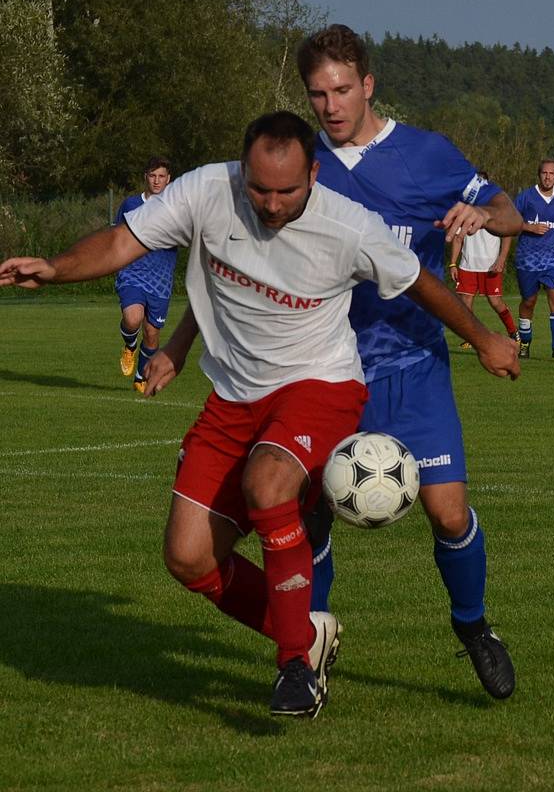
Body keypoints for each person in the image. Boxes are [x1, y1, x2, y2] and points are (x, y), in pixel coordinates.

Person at [0, 111, 519, 718]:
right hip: (234, 398)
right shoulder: (205, 191)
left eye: (287, 191)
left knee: (269, 483)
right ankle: (305, 631)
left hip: (320, 385)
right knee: (188, 557)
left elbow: (418, 283)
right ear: (242, 170)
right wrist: (57, 268)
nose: (271, 204)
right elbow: (122, 241)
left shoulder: (347, 225)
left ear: (313, 174)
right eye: (260, 188)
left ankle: (296, 664)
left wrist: (483, 338)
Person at [296, 25, 523, 700]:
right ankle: (309, 643)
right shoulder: (300, 161)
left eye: (342, 89)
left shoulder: (425, 154)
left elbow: (508, 208)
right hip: (326, 365)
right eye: (317, 93)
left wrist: (485, 218)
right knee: (308, 511)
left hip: (413, 363)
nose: (331, 105)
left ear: (368, 85)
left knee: (449, 513)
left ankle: (474, 628)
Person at [115, 157, 178, 393]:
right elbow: (116, 237)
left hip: (161, 281)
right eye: (152, 176)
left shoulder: (176, 208)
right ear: (145, 177)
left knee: (152, 334)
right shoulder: (130, 204)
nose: (157, 181)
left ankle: (140, 377)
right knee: (132, 319)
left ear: (168, 179)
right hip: (132, 273)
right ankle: (129, 346)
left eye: (161, 176)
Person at [513, 159, 554, 360]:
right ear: (539, 175)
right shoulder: (525, 197)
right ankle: (525, 341)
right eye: (544, 173)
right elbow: (510, 222)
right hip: (528, 258)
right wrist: (528, 227)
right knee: (529, 301)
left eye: (552, 173)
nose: (548, 177)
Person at [448, 172, 519, 350]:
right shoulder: (464, 209)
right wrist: (453, 263)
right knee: (466, 303)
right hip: (467, 264)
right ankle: (471, 337)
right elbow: (458, 238)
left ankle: (513, 332)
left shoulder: (495, 209)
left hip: (490, 265)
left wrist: (501, 259)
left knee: (495, 302)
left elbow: (508, 233)